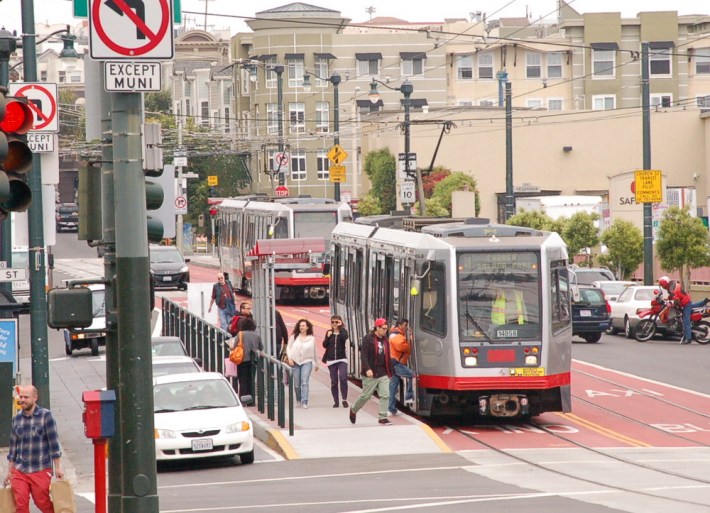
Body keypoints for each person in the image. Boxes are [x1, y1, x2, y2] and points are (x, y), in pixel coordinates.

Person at [4, 385, 64, 513]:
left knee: (42, 502)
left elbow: (54, 443)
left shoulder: (46, 416)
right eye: (21, 397)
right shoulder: (17, 419)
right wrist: (10, 471)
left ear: (35, 398)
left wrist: (58, 467)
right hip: (20, 470)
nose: (23, 400)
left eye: (26, 397)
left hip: (40, 468)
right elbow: (13, 447)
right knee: (20, 504)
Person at [349, 318, 393, 426]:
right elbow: (363, 355)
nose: (385, 331)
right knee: (366, 396)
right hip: (371, 373)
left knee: (385, 395)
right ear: (377, 328)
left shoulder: (385, 340)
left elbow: (388, 356)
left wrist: (390, 372)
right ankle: (353, 409)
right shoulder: (368, 339)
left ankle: (382, 417)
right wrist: (367, 368)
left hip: (383, 372)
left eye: (386, 329)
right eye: (383, 329)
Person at [286, 318, 319, 408]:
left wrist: (317, 363)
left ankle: (304, 402)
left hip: (307, 362)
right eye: (300, 326)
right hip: (295, 362)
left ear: (307, 327)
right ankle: (298, 400)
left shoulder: (311, 339)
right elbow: (288, 347)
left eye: (303, 325)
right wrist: (290, 359)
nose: (301, 327)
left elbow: (315, 351)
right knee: (297, 384)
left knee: (304, 382)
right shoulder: (294, 337)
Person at [231, 316, 263, 405]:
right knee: (251, 379)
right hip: (253, 361)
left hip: (242, 360)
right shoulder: (257, 334)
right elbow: (261, 347)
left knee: (242, 380)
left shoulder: (241, 334)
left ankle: (243, 399)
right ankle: (251, 401)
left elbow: (234, 346)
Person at [388, 318, 415, 416]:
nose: (406, 328)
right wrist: (409, 343)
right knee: (412, 375)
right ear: (399, 326)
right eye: (405, 326)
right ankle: (409, 396)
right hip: (396, 363)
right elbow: (402, 346)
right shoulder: (395, 335)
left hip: (395, 362)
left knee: (393, 387)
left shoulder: (397, 334)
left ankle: (391, 409)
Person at [322, 315, 349, 408]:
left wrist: (340, 328)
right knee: (334, 381)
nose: (334, 324)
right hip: (331, 359)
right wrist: (328, 337)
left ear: (340, 322)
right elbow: (324, 345)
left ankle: (344, 399)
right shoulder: (329, 332)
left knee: (343, 377)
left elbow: (345, 338)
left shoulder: (343, 332)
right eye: (332, 322)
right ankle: (336, 401)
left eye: (336, 322)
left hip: (342, 359)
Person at [659, 275, 692, 344]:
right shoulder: (671, 286)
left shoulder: (672, 289)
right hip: (683, 302)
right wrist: (667, 300)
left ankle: (688, 338)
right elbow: (672, 297)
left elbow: (676, 300)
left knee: (686, 321)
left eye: (662, 285)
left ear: (664, 284)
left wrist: (672, 304)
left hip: (686, 303)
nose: (662, 287)